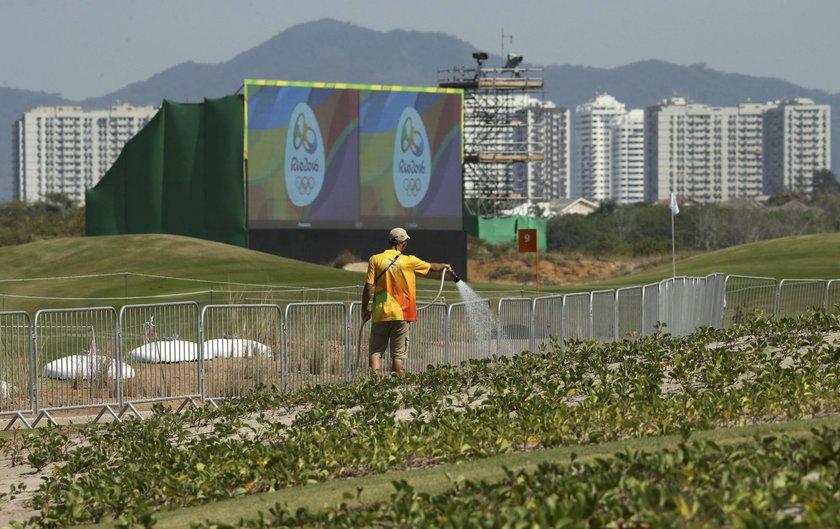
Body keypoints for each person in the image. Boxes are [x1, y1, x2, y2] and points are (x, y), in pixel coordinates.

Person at [361, 227, 453, 376]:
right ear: (403, 243)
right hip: (402, 313)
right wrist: (444, 266)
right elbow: (431, 267)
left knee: (375, 352)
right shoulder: (409, 261)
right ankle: (398, 390)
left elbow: (368, 287)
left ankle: (374, 387)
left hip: (380, 313)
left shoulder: (375, 259)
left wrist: (364, 309)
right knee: (398, 356)